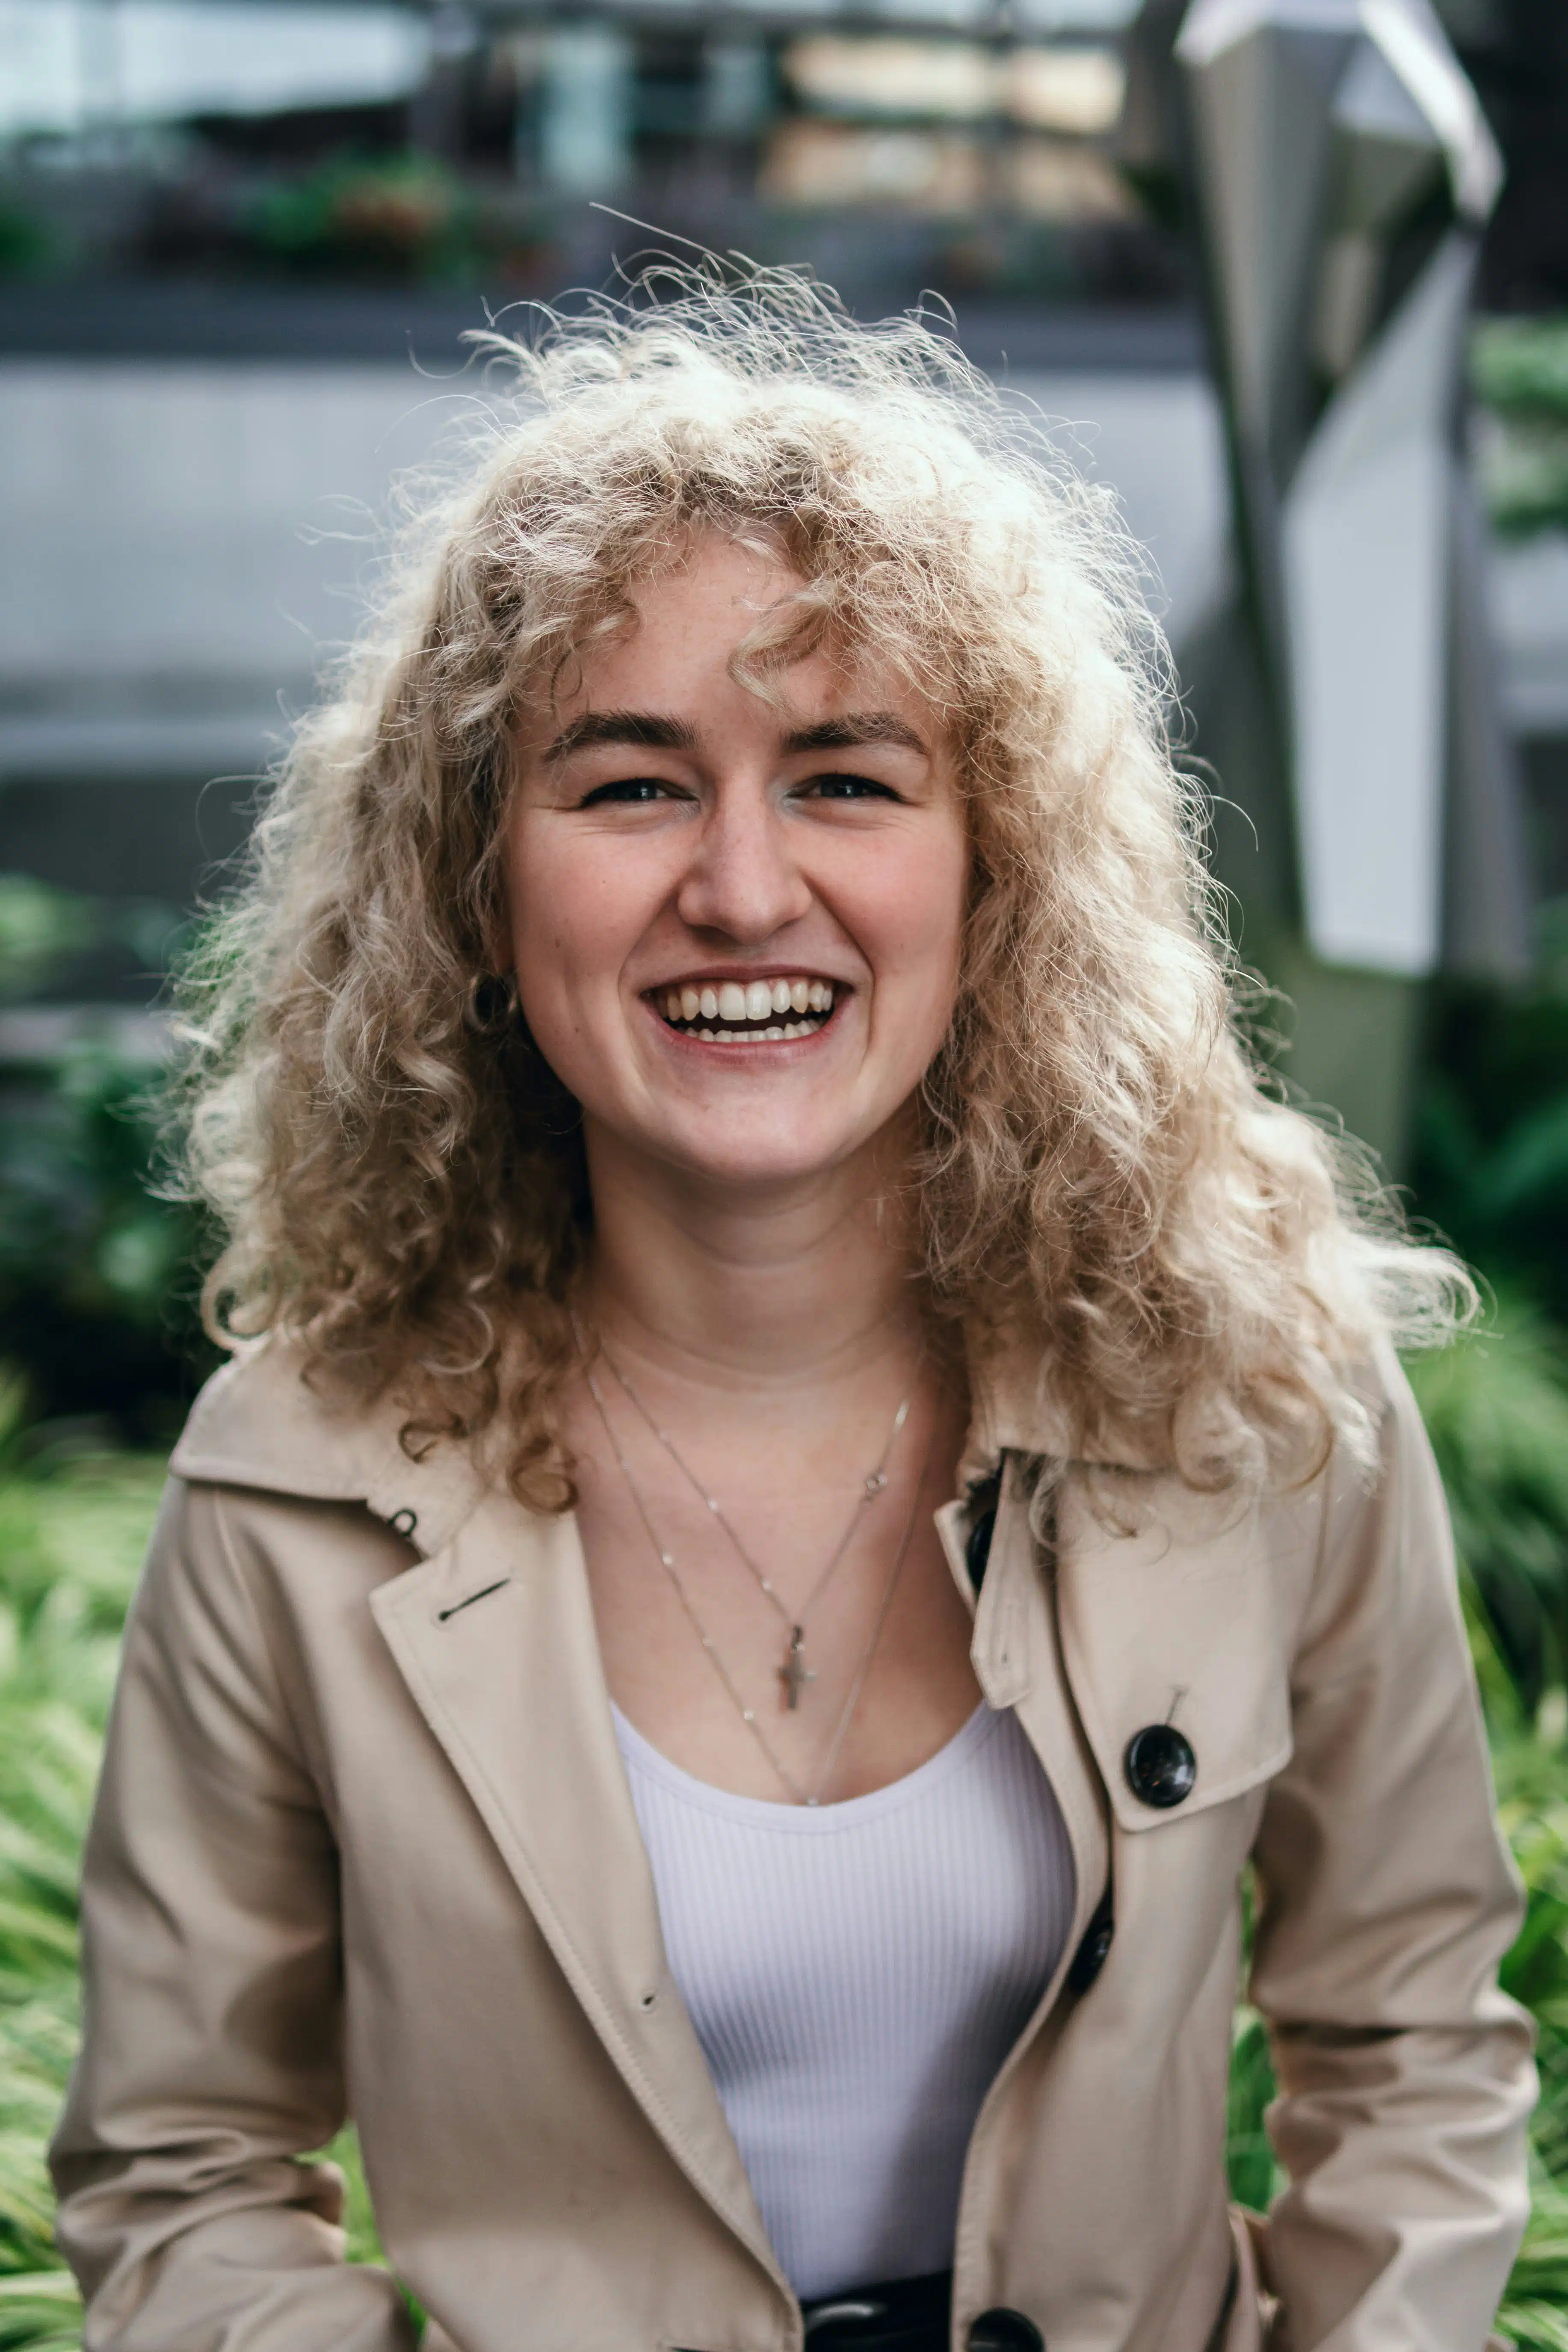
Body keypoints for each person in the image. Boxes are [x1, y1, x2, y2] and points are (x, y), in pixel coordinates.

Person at [51, 273, 1532, 2352]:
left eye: (846, 778)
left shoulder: (1250, 1388)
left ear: (993, 868)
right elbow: (181, 2169)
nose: (744, 890)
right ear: (479, 888)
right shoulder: (296, 1489)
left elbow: (1411, 2048)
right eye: (630, 784)